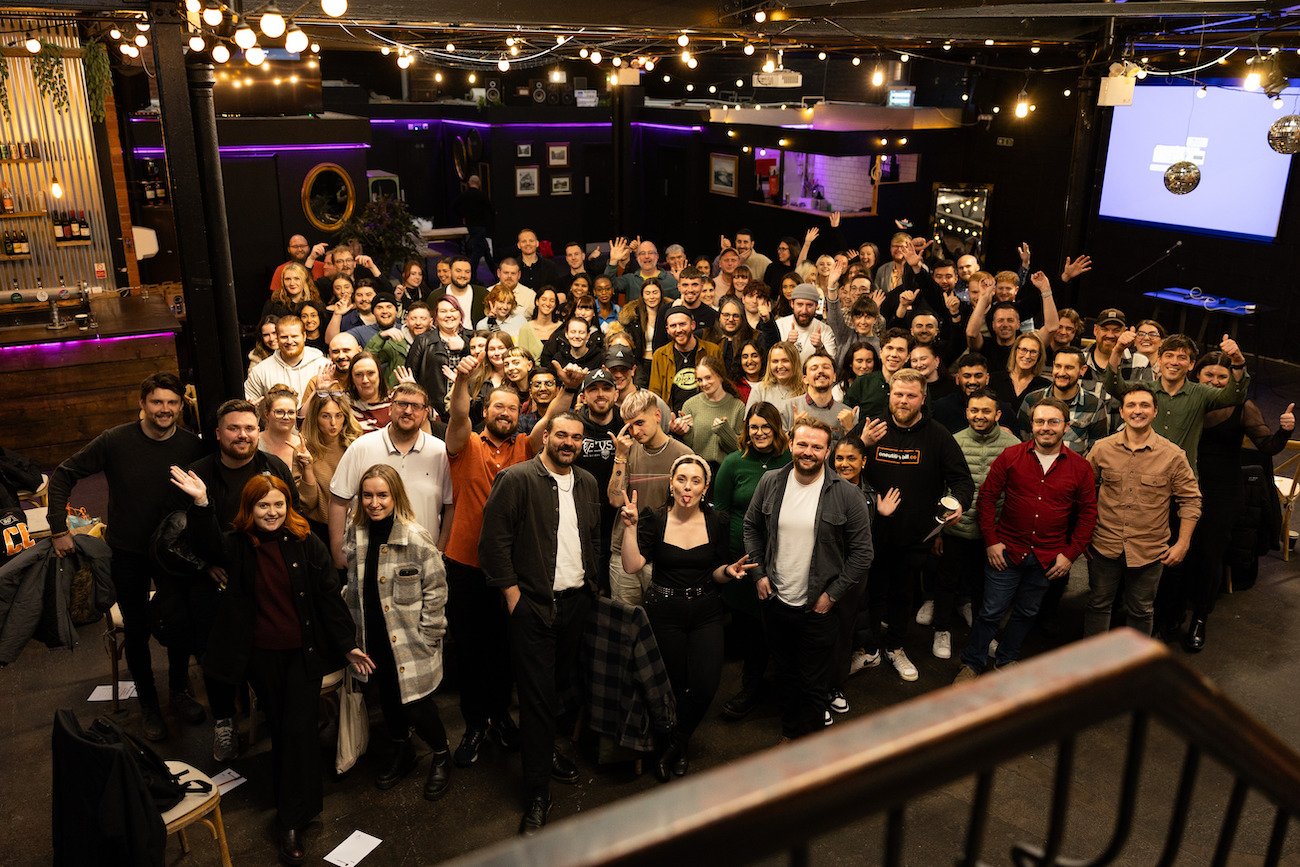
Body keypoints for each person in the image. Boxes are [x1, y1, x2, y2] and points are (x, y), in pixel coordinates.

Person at [171, 469, 368, 866]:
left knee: (297, 728)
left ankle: (290, 821)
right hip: (261, 657)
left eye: (279, 504)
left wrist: (348, 645)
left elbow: (328, 597)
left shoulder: (306, 543)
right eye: (264, 505)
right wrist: (201, 504)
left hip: (303, 653)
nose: (273, 511)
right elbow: (206, 544)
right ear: (251, 507)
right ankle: (302, 804)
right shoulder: (238, 545)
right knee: (284, 728)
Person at [47, 373, 204, 742]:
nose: (164, 410)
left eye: (171, 403)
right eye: (156, 402)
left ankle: (179, 691)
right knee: (136, 630)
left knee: (180, 621)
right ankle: (148, 704)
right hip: (128, 551)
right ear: (142, 404)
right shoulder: (115, 440)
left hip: (174, 552)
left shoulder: (192, 446)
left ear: (181, 407)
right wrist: (58, 528)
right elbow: (64, 474)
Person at [443, 353, 582, 769]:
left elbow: (548, 422)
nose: (504, 413)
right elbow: (456, 415)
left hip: (513, 568)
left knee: (507, 650)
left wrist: (568, 388)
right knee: (471, 651)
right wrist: (462, 381)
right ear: (485, 411)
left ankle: (501, 717)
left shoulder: (525, 446)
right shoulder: (463, 444)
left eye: (510, 407)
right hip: (466, 563)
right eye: (496, 407)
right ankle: (474, 725)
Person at [479, 412, 601, 836]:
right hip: (532, 607)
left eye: (576, 438)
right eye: (561, 435)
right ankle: (536, 792)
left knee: (556, 690)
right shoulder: (516, 479)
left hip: (576, 605)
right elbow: (493, 543)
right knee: (535, 699)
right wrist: (513, 599)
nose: (568, 442)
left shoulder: (586, 482)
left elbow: (592, 537)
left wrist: (592, 590)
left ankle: (545, 751)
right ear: (545, 436)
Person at [618, 454, 755, 779]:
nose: (688, 487)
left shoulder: (717, 521)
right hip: (664, 612)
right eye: (682, 479)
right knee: (674, 685)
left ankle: (674, 745)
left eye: (695, 481)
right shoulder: (655, 518)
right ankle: (674, 748)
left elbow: (716, 572)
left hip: (706, 610)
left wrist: (729, 571)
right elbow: (632, 565)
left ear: (705, 486)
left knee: (706, 685)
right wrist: (630, 528)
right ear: (671, 482)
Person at [744, 418, 874, 740]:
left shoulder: (846, 494)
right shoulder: (771, 482)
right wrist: (758, 573)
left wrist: (830, 596)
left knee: (814, 687)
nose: (808, 452)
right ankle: (790, 739)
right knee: (785, 679)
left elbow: (863, 553)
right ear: (790, 444)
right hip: (776, 602)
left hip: (819, 609)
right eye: (802, 444)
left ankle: (812, 761)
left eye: (817, 446)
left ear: (827, 451)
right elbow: (751, 526)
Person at [952, 398, 1097, 681]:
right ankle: (972, 663)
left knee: (1027, 612)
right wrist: (991, 541)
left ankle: (1006, 660)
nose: (1046, 428)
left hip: (1047, 557)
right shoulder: (1011, 455)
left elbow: (1088, 514)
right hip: (1006, 551)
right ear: (1031, 426)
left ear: (1065, 426)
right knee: (991, 612)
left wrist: (1070, 554)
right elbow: (987, 499)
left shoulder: (1080, 467)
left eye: (1053, 422)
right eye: (1040, 421)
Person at [856, 369, 975, 682]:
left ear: (923, 398)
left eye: (911, 395)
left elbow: (962, 480)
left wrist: (959, 503)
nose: (904, 400)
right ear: (890, 395)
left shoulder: (938, 435)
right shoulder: (872, 428)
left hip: (915, 536)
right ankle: (868, 651)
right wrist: (859, 442)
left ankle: (895, 647)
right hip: (869, 533)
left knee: (902, 596)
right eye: (898, 394)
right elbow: (842, 465)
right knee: (867, 595)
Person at [342, 464, 451, 799]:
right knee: (388, 698)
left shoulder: (415, 538)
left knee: (417, 704)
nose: (374, 503)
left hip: (409, 640)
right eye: (368, 495)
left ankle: (441, 754)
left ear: (395, 496)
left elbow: (436, 588)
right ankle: (403, 752)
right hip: (371, 637)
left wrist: (428, 635)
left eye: (382, 495)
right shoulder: (355, 533)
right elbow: (351, 584)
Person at [1175, 355, 1293, 651]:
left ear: (1232, 381)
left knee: (1209, 554)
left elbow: (1268, 447)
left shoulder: (1243, 407)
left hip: (1222, 491)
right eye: (1208, 375)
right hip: (1182, 485)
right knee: (1176, 549)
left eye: (1222, 377)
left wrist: (1285, 429)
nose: (1214, 381)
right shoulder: (1187, 401)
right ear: (1196, 375)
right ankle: (1171, 612)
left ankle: (1200, 618)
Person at [1085, 384, 1201, 637]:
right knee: (1098, 606)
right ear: (1123, 412)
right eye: (1132, 405)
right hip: (1105, 545)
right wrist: (1082, 536)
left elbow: (1191, 500)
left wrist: (1182, 543)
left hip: (1148, 550)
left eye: (1145, 405)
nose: (1138, 411)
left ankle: (1135, 668)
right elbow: (1083, 493)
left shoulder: (1173, 456)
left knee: (1141, 610)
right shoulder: (1102, 449)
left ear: (1155, 411)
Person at [713, 402, 792, 720]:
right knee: (749, 624)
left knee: (776, 621)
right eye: (754, 427)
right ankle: (751, 686)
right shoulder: (733, 463)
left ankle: (774, 682)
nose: (760, 433)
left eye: (766, 427)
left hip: (782, 555)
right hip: (741, 556)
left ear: (777, 429)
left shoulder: (789, 460)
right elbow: (720, 510)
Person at [930, 388, 1021, 661]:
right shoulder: (952, 441)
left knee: (985, 587)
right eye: (974, 410)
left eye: (986, 411)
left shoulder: (1012, 444)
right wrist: (939, 531)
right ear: (966, 412)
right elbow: (941, 486)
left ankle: (985, 636)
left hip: (991, 532)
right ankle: (942, 630)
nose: (979, 416)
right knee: (946, 583)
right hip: (955, 529)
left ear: (998, 414)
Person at [327, 383, 454, 572]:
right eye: (402, 404)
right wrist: (337, 550)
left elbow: (450, 506)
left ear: (426, 412)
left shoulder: (440, 452)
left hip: (423, 558)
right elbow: (338, 500)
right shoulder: (362, 447)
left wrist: (440, 551)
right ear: (390, 408)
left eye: (416, 406)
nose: (408, 411)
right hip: (369, 557)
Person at [608, 389, 696, 606]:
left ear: (657, 415)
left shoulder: (683, 455)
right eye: (629, 426)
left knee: (661, 625)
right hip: (623, 549)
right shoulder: (627, 450)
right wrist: (619, 457)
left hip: (662, 554)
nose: (635, 431)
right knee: (624, 624)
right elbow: (615, 500)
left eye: (640, 422)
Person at [1016, 346, 1109, 457]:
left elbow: (1096, 452)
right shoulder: (1032, 400)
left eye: (1069, 367)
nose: (1061, 372)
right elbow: (1022, 443)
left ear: (1082, 370)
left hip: (1074, 471)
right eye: (1058, 366)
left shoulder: (1095, 405)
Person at [297, 391, 363, 540]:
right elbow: (308, 503)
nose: (333, 423)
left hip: (355, 525)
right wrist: (308, 468)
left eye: (338, 415)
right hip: (318, 529)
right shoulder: (304, 450)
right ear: (316, 418)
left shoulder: (356, 446)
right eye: (326, 416)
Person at [406, 296, 472, 418]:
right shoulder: (423, 340)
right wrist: (425, 405)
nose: (448, 315)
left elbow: (483, 368)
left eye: (453, 310)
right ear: (436, 317)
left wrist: (465, 347)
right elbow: (410, 375)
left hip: (469, 407)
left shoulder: (472, 337)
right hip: (434, 410)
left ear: (460, 314)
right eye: (443, 311)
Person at [676, 355, 745, 469]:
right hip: (697, 469)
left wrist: (724, 431)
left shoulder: (738, 406)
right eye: (699, 380)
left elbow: (739, 450)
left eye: (708, 378)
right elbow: (687, 449)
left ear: (720, 376)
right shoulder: (690, 405)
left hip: (726, 470)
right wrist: (686, 432)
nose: (704, 383)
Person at [649, 308, 723, 412]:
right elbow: (655, 394)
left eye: (682, 324)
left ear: (693, 325)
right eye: (673, 326)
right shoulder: (660, 355)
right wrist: (667, 417)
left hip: (707, 415)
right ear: (667, 330)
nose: (678, 330)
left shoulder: (712, 350)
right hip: (673, 419)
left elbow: (722, 386)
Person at [245, 315, 328, 405]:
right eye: (284, 337)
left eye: (294, 336)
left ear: (304, 336)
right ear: (277, 338)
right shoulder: (260, 371)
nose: (289, 341)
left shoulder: (324, 365)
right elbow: (249, 408)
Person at [781, 352, 853, 440]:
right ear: (805, 379)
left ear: (834, 376)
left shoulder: (848, 414)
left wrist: (849, 429)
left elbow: (854, 451)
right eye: (814, 368)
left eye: (826, 367)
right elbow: (778, 448)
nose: (821, 371)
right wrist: (794, 430)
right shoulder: (787, 408)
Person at [775, 284, 837, 363]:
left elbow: (831, 364)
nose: (804, 310)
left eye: (809, 305)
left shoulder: (826, 330)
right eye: (800, 305)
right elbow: (772, 360)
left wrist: (820, 347)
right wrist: (787, 345)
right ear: (792, 304)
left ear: (817, 306)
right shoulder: (779, 325)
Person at [606, 236, 679, 302]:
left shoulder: (671, 280)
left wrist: (680, 281)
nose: (646, 256)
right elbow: (607, 285)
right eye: (642, 253)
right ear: (637, 258)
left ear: (657, 256)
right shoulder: (630, 280)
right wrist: (613, 261)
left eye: (650, 253)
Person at [452, 174, 495, 278]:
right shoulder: (481, 195)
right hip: (481, 227)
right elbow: (491, 210)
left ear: (469, 183)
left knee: (485, 251)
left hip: (471, 226)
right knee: (477, 252)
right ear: (479, 184)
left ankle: (495, 273)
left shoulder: (464, 195)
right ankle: (470, 274)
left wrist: (462, 215)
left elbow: (454, 206)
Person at [990, 333, 1050, 407]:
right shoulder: (994, 379)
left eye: (1033, 352)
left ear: (1039, 356)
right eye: (1024, 350)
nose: (1027, 356)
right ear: (1015, 351)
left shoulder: (1045, 386)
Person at [428, 256, 487, 328]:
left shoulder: (482, 293)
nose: (463, 275)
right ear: (450, 271)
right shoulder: (435, 296)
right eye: (458, 271)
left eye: (467, 272)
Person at [745, 340, 805, 411]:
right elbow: (749, 421)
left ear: (795, 363)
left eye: (785, 360)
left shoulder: (806, 391)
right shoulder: (759, 390)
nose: (779, 366)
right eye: (775, 361)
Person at [258, 386, 304, 471]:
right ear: (267, 414)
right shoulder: (255, 443)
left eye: (291, 412)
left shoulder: (302, 445)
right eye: (279, 412)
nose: (286, 417)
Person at [347, 352, 393, 432]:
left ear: (379, 374)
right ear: (352, 379)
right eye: (358, 375)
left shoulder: (395, 401)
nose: (365, 380)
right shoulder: (344, 402)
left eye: (370, 373)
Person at [516, 286, 563, 361]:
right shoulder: (525, 329)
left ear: (555, 305)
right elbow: (522, 359)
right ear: (537, 302)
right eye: (544, 299)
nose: (547, 303)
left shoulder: (562, 328)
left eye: (552, 301)